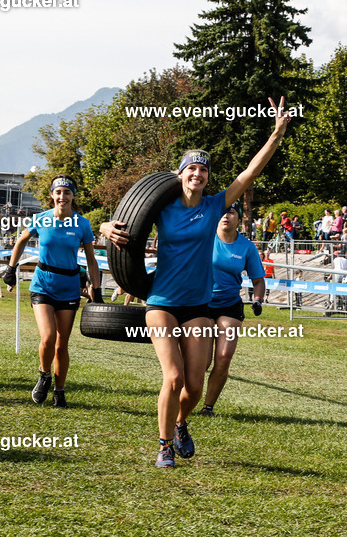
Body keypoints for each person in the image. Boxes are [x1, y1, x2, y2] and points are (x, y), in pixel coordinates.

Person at [100, 97, 289, 469]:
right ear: (180, 174)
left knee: (195, 386)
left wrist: (277, 134)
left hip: (198, 307)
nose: (197, 175)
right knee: (172, 377)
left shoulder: (216, 205)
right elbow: (126, 222)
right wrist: (105, 227)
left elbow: (250, 173)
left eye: (203, 170)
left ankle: (182, 423)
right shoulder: (163, 209)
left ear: (207, 178)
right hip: (162, 301)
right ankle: (164, 444)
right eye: (191, 169)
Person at [1, 175, 101, 408]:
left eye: (67, 193)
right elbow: (21, 242)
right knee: (48, 337)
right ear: (52, 195)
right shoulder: (40, 219)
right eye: (58, 192)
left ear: (73, 196)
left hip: (69, 288)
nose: (62, 197)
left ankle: (59, 391)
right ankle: (44, 374)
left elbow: (91, 260)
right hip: (42, 285)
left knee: (61, 344)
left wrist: (96, 289)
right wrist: (10, 268)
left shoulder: (82, 224)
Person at [196, 202, 265, 417]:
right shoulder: (204, 238)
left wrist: (258, 299)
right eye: (223, 212)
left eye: (231, 212)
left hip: (230, 305)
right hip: (202, 304)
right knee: (203, 360)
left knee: (224, 357)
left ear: (239, 219)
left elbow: (258, 281)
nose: (226, 216)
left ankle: (208, 407)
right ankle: (187, 398)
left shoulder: (247, 247)